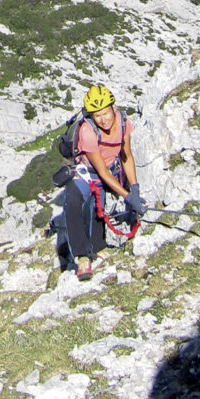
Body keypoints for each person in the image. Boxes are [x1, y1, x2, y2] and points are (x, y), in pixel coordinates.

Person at [63, 83, 146, 280]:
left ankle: (99, 246)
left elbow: (126, 156)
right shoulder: (88, 132)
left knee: (97, 211)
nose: (103, 119)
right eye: (97, 115)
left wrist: (134, 188)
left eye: (106, 113)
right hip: (87, 173)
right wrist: (128, 197)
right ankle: (82, 256)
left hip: (108, 170)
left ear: (113, 109)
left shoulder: (124, 123)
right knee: (73, 204)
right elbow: (101, 172)